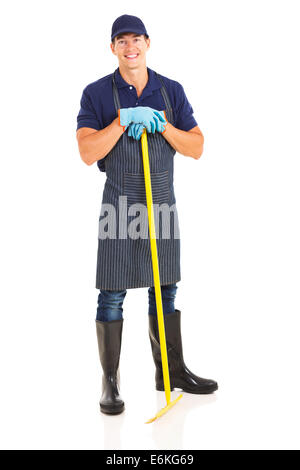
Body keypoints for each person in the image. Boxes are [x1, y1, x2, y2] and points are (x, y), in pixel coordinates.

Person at [76, 14, 218, 415]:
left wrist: (163, 126)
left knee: (166, 289)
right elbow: (88, 152)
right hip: (118, 205)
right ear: (113, 48)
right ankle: (111, 384)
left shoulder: (169, 90)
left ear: (148, 43)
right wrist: (122, 121)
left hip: (162, 206)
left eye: (136, 39)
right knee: (112, 294)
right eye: (122, 41)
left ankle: (170, 373)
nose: (130, 46)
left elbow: (196, 147)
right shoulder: (97, 94)